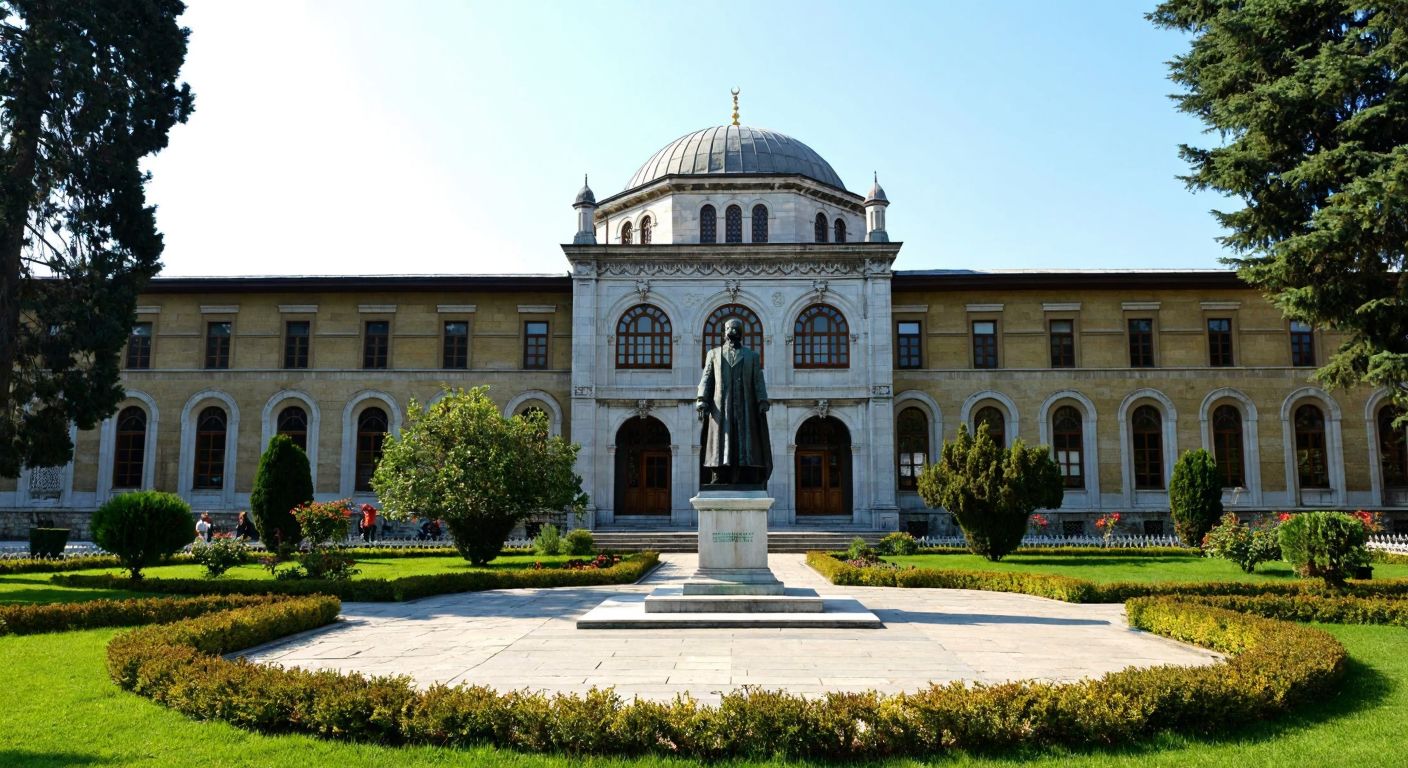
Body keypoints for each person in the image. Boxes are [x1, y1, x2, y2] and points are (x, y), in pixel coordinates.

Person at [696, 316, 772, 487]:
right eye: (729, 329)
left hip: (746, 405)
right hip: (720, 405)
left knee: (746, 440)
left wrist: (762, 400)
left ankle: (747, 473)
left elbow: (758, 380)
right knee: (720, 440)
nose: (733, 332)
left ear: (741, 334)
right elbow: (707, 378)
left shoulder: (751, 356)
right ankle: (719, 474)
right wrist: (702, 399)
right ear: (724, 333)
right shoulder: (713, 354)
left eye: (736, 329)